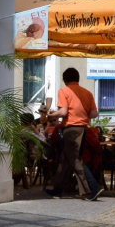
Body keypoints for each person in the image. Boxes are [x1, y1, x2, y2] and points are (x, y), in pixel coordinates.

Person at [46, 68, 101, 200]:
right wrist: (81, 114)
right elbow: (94, 114)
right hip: (84, 128)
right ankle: (58, 190)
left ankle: (93, 187)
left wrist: (51, 114)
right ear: (77, 79)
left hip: (71, 129)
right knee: (65, 159)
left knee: (75, 160)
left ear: (65, 80)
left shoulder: (64, 91)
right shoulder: (87, 93)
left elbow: (64, 112)